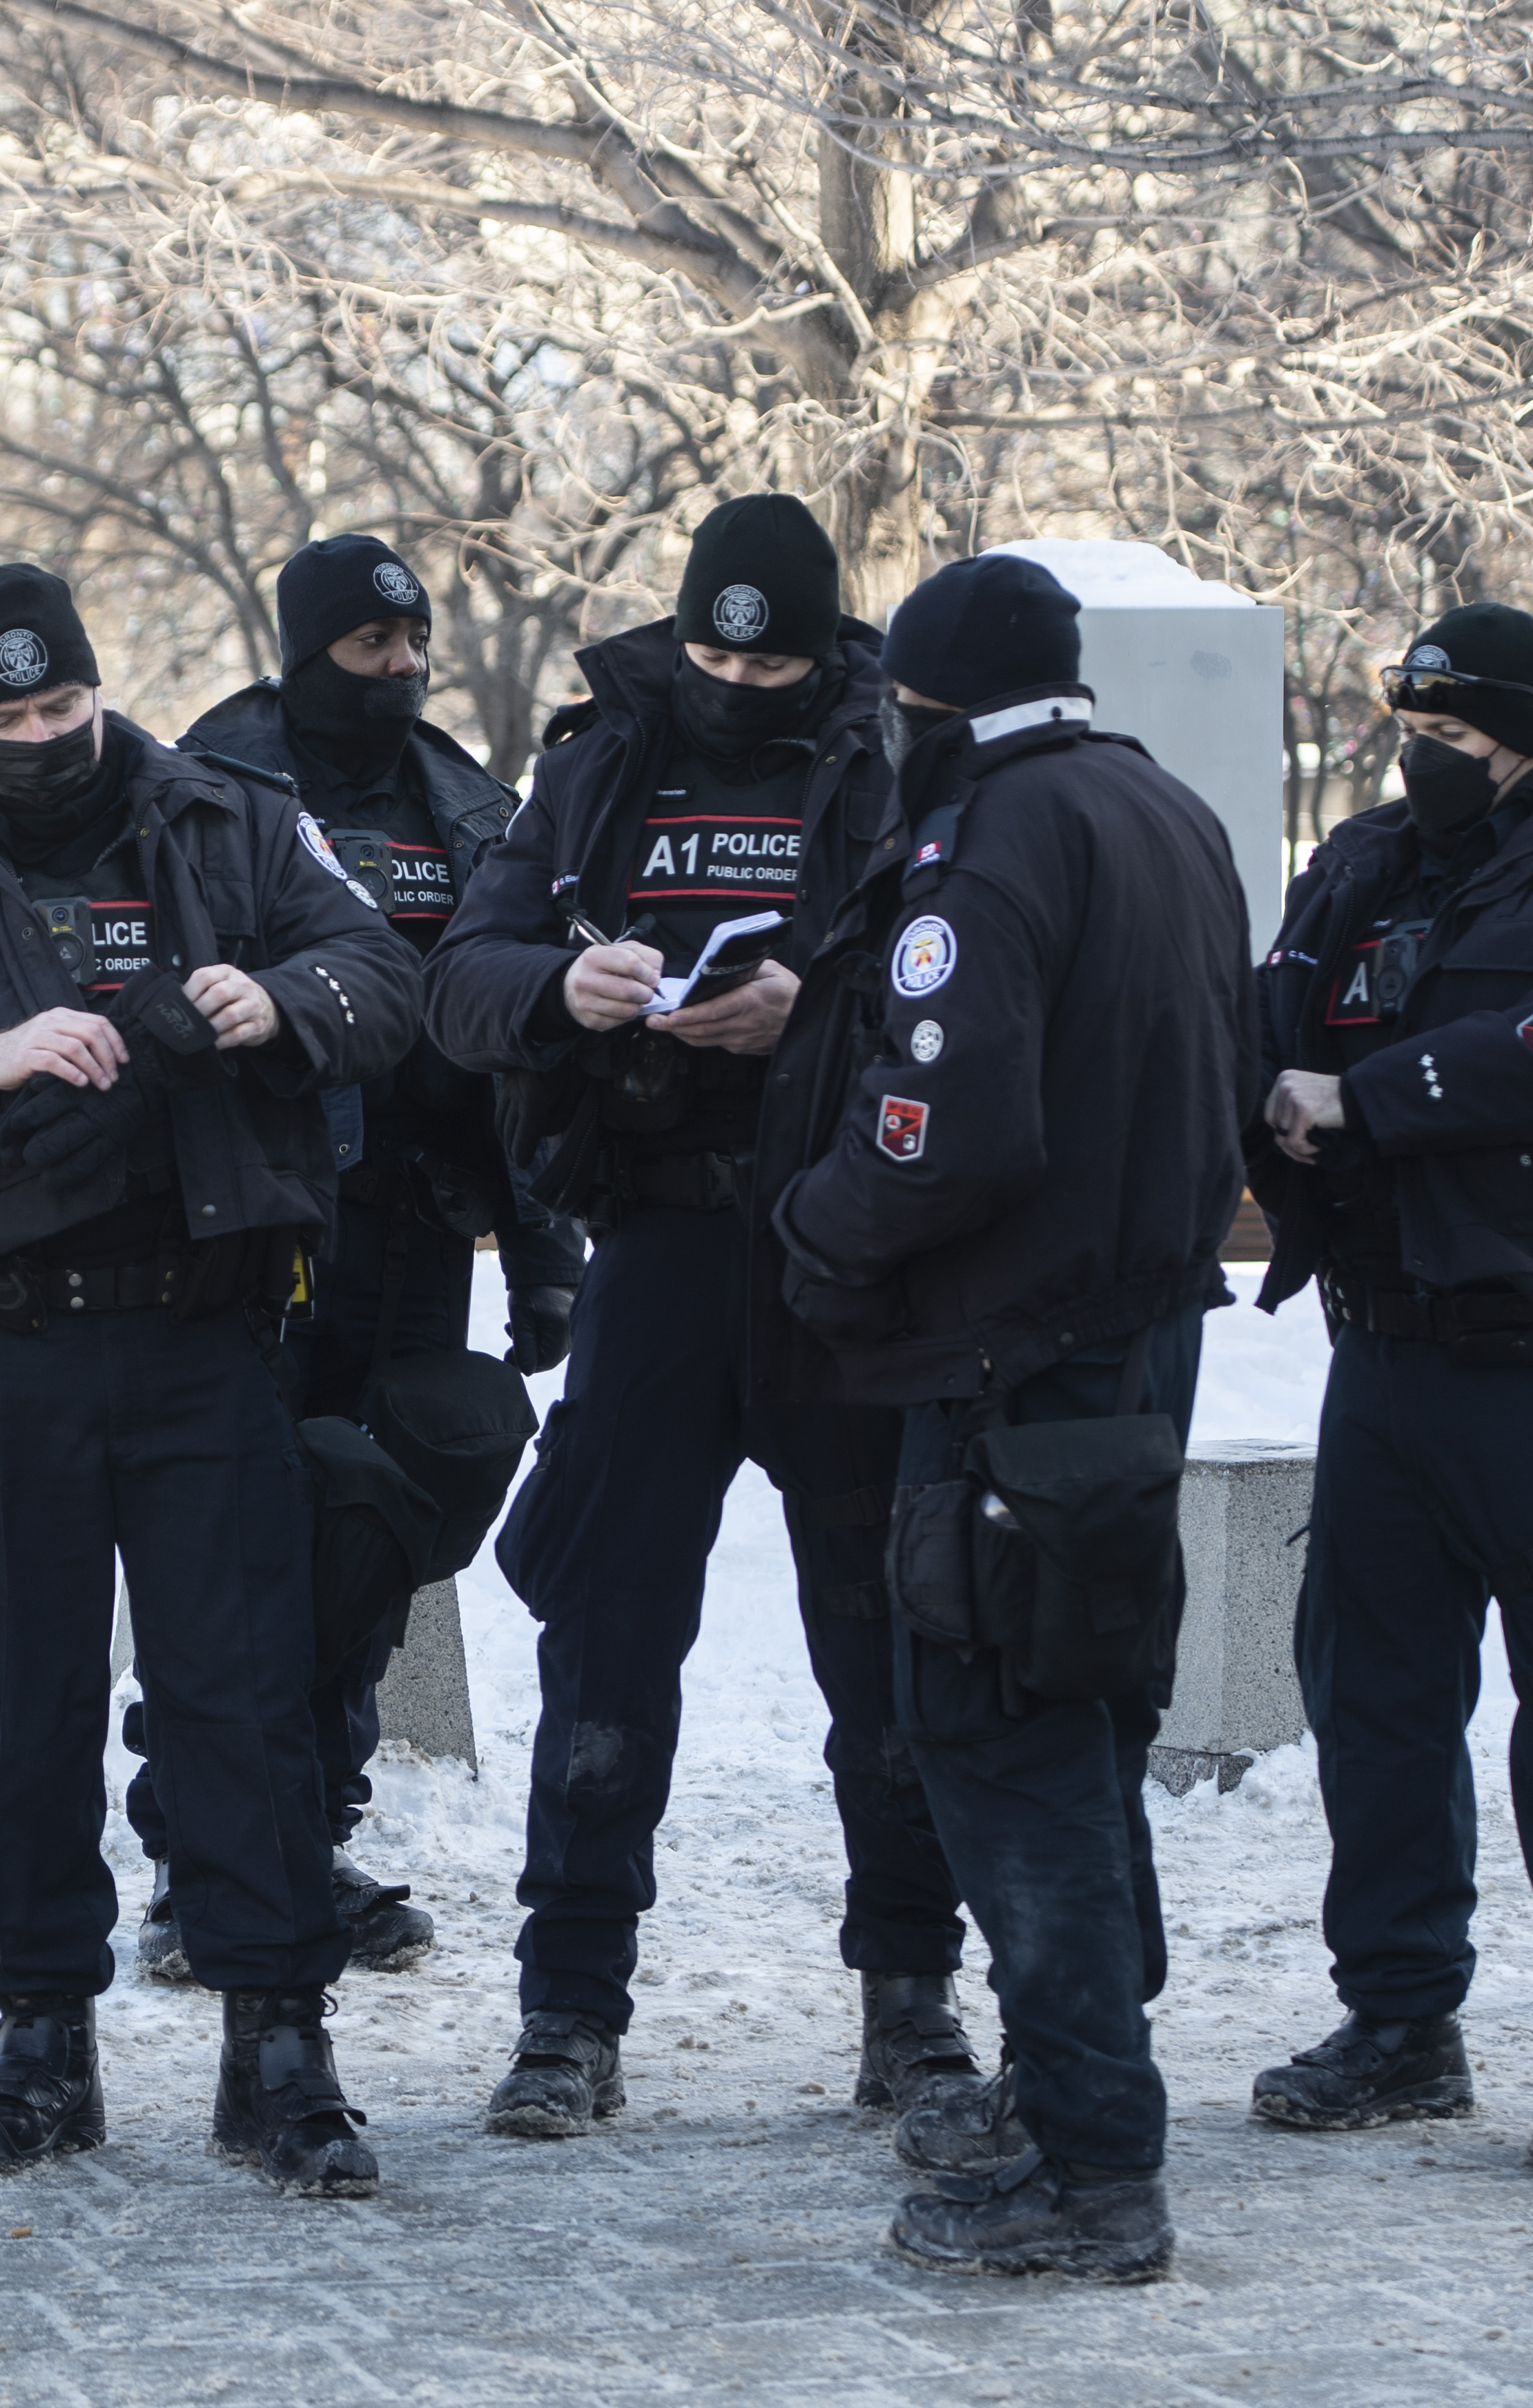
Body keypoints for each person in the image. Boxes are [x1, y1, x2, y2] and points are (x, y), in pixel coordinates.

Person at [0, 562, 419, 2196]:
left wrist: (274, 1000)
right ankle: (38, 2036)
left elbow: (380, 970)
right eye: (7, 721)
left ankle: (278, 2041)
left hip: (203, 1326)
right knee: (24, 1697)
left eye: (64, 706)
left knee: (242, 1695)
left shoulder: (226, 814)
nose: (46, 738)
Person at [422, 494, 970, 2141]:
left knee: (883, 1642)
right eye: (714, 644)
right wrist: (554, 990)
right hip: (654, 1248)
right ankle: (568, 2011)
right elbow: (462, 978)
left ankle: (909, 2001)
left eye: (772, 650)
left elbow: (970, 984)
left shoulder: (895, 762)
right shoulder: (601, 759)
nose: (737, 674)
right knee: (605, 1637)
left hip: (840, 1258)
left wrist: (816, 1014)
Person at [762, 550, 1248, 2280]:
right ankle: (1067, 2097)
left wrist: (810, 1234)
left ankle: (1092, 2167)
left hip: (1001, 1368)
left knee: (998, 1743)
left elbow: (944, 1125)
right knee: (1078, 1719)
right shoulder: (1164, 812)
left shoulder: (990, 836)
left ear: (920, 698)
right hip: (1122, 1353)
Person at [1241, 603, 1533, 2173]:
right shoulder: (1360, 868)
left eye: (1448, 737)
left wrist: (1364, 1097)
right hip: (1380, 1358)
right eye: (1407, 730)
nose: (1416, 759)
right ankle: (1397, 2024)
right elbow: (1267, 1025)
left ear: (1524, 733)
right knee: (1372, 1707)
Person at [108, 533, 585, 1985]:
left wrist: (541, 1250)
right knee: (242, 1546)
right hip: (255, 1224)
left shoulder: (462, 804)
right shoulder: (208, 789)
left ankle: (313, 1831)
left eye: (411, 647)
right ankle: (203, 1857)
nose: (398, 670)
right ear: (305, 651)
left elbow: (510, 1033)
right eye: (369, 649)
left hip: (415, 1227)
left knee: (373, 1542)